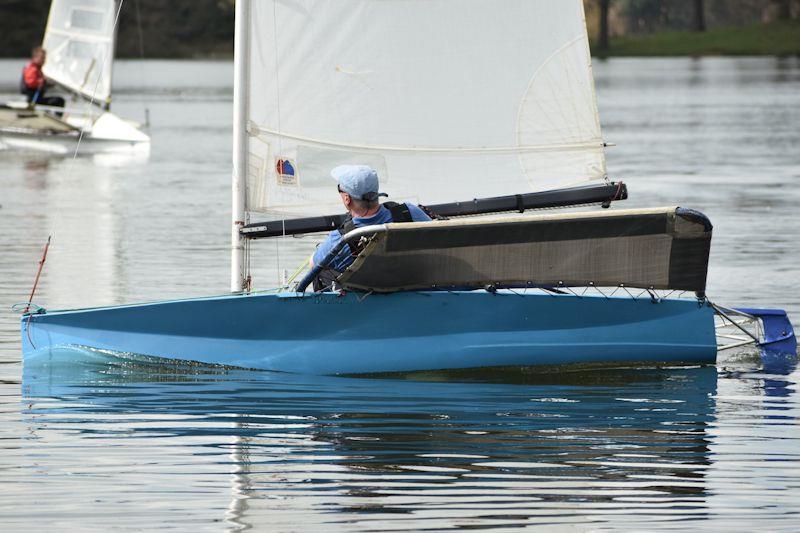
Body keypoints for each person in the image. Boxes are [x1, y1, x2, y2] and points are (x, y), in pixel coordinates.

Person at [311, 164, 432, 291]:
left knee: (321, 272)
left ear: (347, 199)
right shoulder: (409, 213)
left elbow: (314, 265)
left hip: (370, 301)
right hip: (418, 291)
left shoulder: (341, 239)